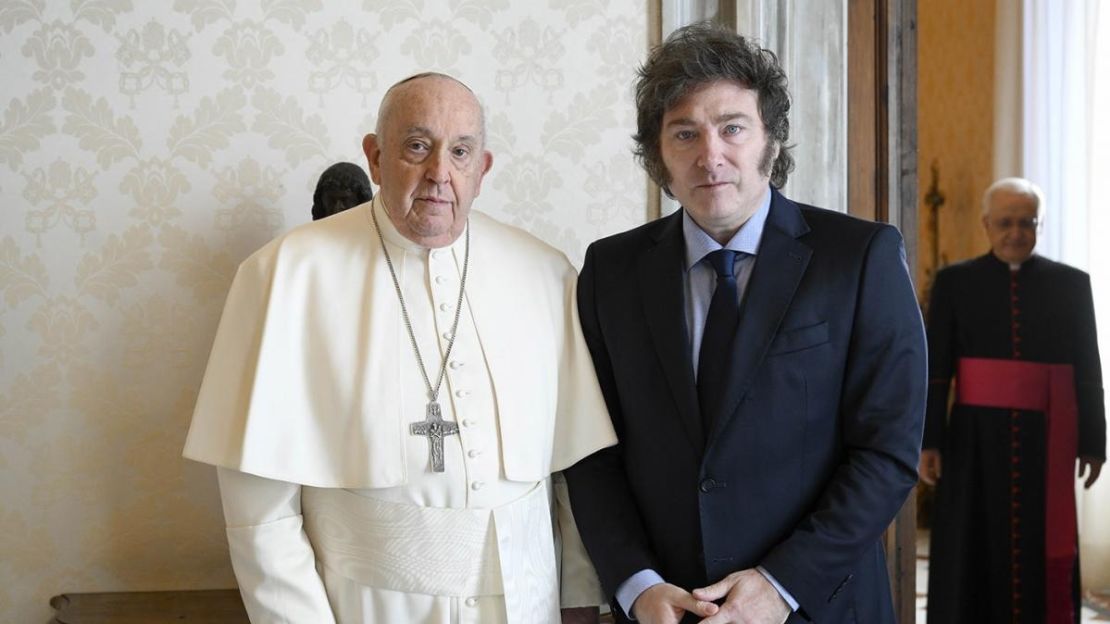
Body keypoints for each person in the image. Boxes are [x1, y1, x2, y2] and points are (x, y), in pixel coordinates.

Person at [183, 73, 616, 624]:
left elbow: (571, 477)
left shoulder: (545, 272)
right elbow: (258, 514)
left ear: (481, 170)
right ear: (375, 156)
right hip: (367, 607)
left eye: (461, 152)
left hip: (526, 603)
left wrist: (578, 599)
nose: (440, 173)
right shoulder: (284, 275)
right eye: (417, 146)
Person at [563, 22, 927, 624]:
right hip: (665, 608)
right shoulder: (610, 270)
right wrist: (636, 584)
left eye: (732, 128)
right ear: (659, 156)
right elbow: (591, 451)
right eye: (685, 133)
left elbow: (886, 452)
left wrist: (781, 583)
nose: (711, 156)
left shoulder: (861, 258)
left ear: (771, 141)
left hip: (818, 605)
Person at [920, 177, 1106, 624]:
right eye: (1005, 222)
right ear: (987, 224)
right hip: (974, 441)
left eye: (1027, 222)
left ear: (1040, 225)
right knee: (972, 539)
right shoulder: (954, 283)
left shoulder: (1072, 285)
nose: (1016, 232)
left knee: (1041, 540)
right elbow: (937, 371)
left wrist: (1094, 443)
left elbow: (1089, 368)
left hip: (1047, 441)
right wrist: (930, 441)